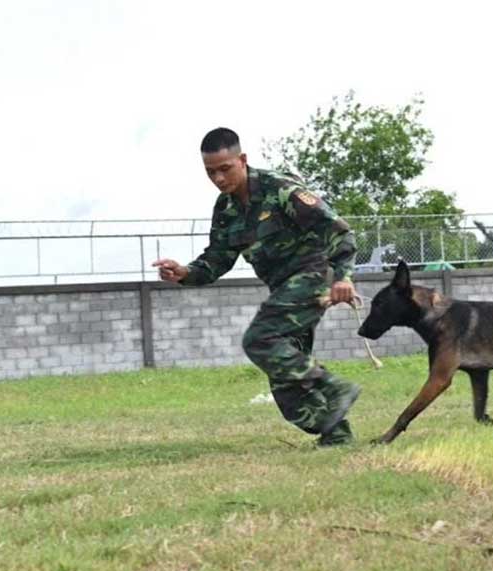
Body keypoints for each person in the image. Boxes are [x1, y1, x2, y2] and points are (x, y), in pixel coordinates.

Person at [152, 127, 360, 446]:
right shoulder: (226, 210)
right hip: (283, 289)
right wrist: (183, 272)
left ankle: (334, 386)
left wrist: (344, 277)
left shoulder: (280, 190)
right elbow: (217, 259)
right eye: (210, 173)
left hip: (315, 273)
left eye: (225, 169)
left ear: (243, 160)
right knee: (284, 378)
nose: (219, 179)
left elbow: (340, 232)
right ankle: (336, 435)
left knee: (259, 339)